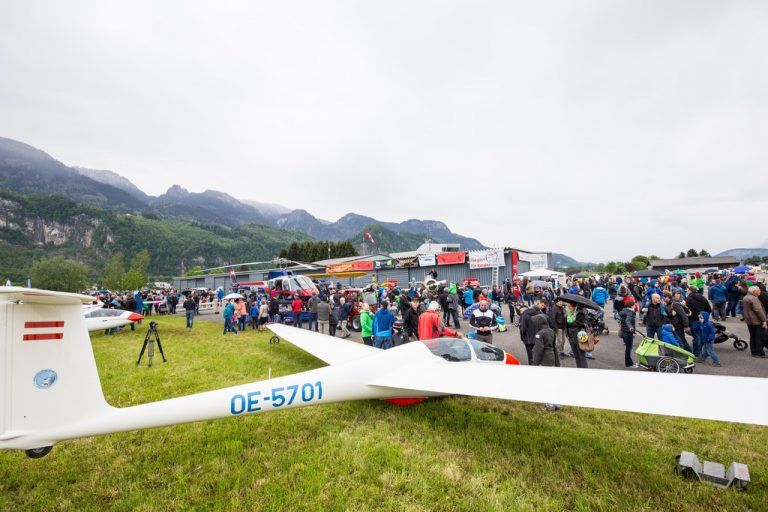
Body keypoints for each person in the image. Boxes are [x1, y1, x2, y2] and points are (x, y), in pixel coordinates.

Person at [685, 286, 712, 357]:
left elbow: (685, 310)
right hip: (702, 320)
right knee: (701, 336)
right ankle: (698, 352)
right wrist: (705, 318)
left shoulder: (688, 299)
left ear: (690, 291)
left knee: (696, 337)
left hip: (693, 319)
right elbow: (709, 309)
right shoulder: (703, 298)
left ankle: (696, 353)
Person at [742, 286, 767, 358]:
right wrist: (764, 320)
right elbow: (759, 310)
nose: (760, 291)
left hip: (749, 320)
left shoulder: (746, 297)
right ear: (754, 292)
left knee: (752, 336)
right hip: (756, 321)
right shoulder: (754, 299)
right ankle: (760, 353)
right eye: (758, 290)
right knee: (759, 337)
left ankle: (754, 352)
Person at [565, 303, 588, 368]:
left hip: (579, 336)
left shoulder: (580, 314)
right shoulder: (568, 314)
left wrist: (576, 321)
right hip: (571, 336)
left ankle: (585, 370)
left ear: (574, 306)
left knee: (581, 355)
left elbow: (585, 325)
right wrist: (567, 334)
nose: (569, 307)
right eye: (568, 306)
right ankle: (579, 369)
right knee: (576, 355)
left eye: (570, 306)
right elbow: (566, 325)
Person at [618, 298, 638, 368]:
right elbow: (628, 321)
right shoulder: (630, 312)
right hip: (628, 332)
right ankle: (629, 364)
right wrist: (631, 328)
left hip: (623, 331)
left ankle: (629, 363)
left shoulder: (623, 311)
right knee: (628, 349)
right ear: (631, 306)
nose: (635, 306)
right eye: (634, 305)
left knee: (628, 348)